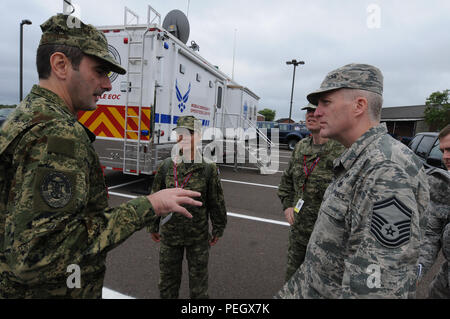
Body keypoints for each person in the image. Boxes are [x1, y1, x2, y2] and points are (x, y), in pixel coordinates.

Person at [0, 14, 202, 299]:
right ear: (60, 65)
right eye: (100, 71)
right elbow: (41, 255)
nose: (108, 85)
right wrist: (150, 205)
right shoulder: (57, 134)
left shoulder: (25, 117)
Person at [276, 63, 430, 298]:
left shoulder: (385, 170)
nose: (316, 112)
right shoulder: (363, 159)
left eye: (325, 103)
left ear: (359, 106)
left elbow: (376, 289)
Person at [148, 116, 227, 299]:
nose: (183, 137)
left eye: (189, 133)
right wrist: (152, 225)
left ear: (198, 137)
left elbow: (217, 201)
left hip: (197, 237)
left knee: (199, 285)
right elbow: (155, 196)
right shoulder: (166, 166)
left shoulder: (208, 168)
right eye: (180, 133)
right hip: (170, 235)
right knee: (167, 283)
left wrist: (218, 228)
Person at [277, 103, 344, 282]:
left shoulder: (341, 150)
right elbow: (287, 182)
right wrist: (288, 206)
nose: (310, 115)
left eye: (314, 111)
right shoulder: (301, 147)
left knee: (320, 285)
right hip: (299, 232)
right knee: (292, 282)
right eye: (307, 111)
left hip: (327, 238)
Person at [417, 125, 450, 298]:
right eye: (443, 150)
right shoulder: (443, 188)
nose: (445, 157)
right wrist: (417, 271)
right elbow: (432, 235)